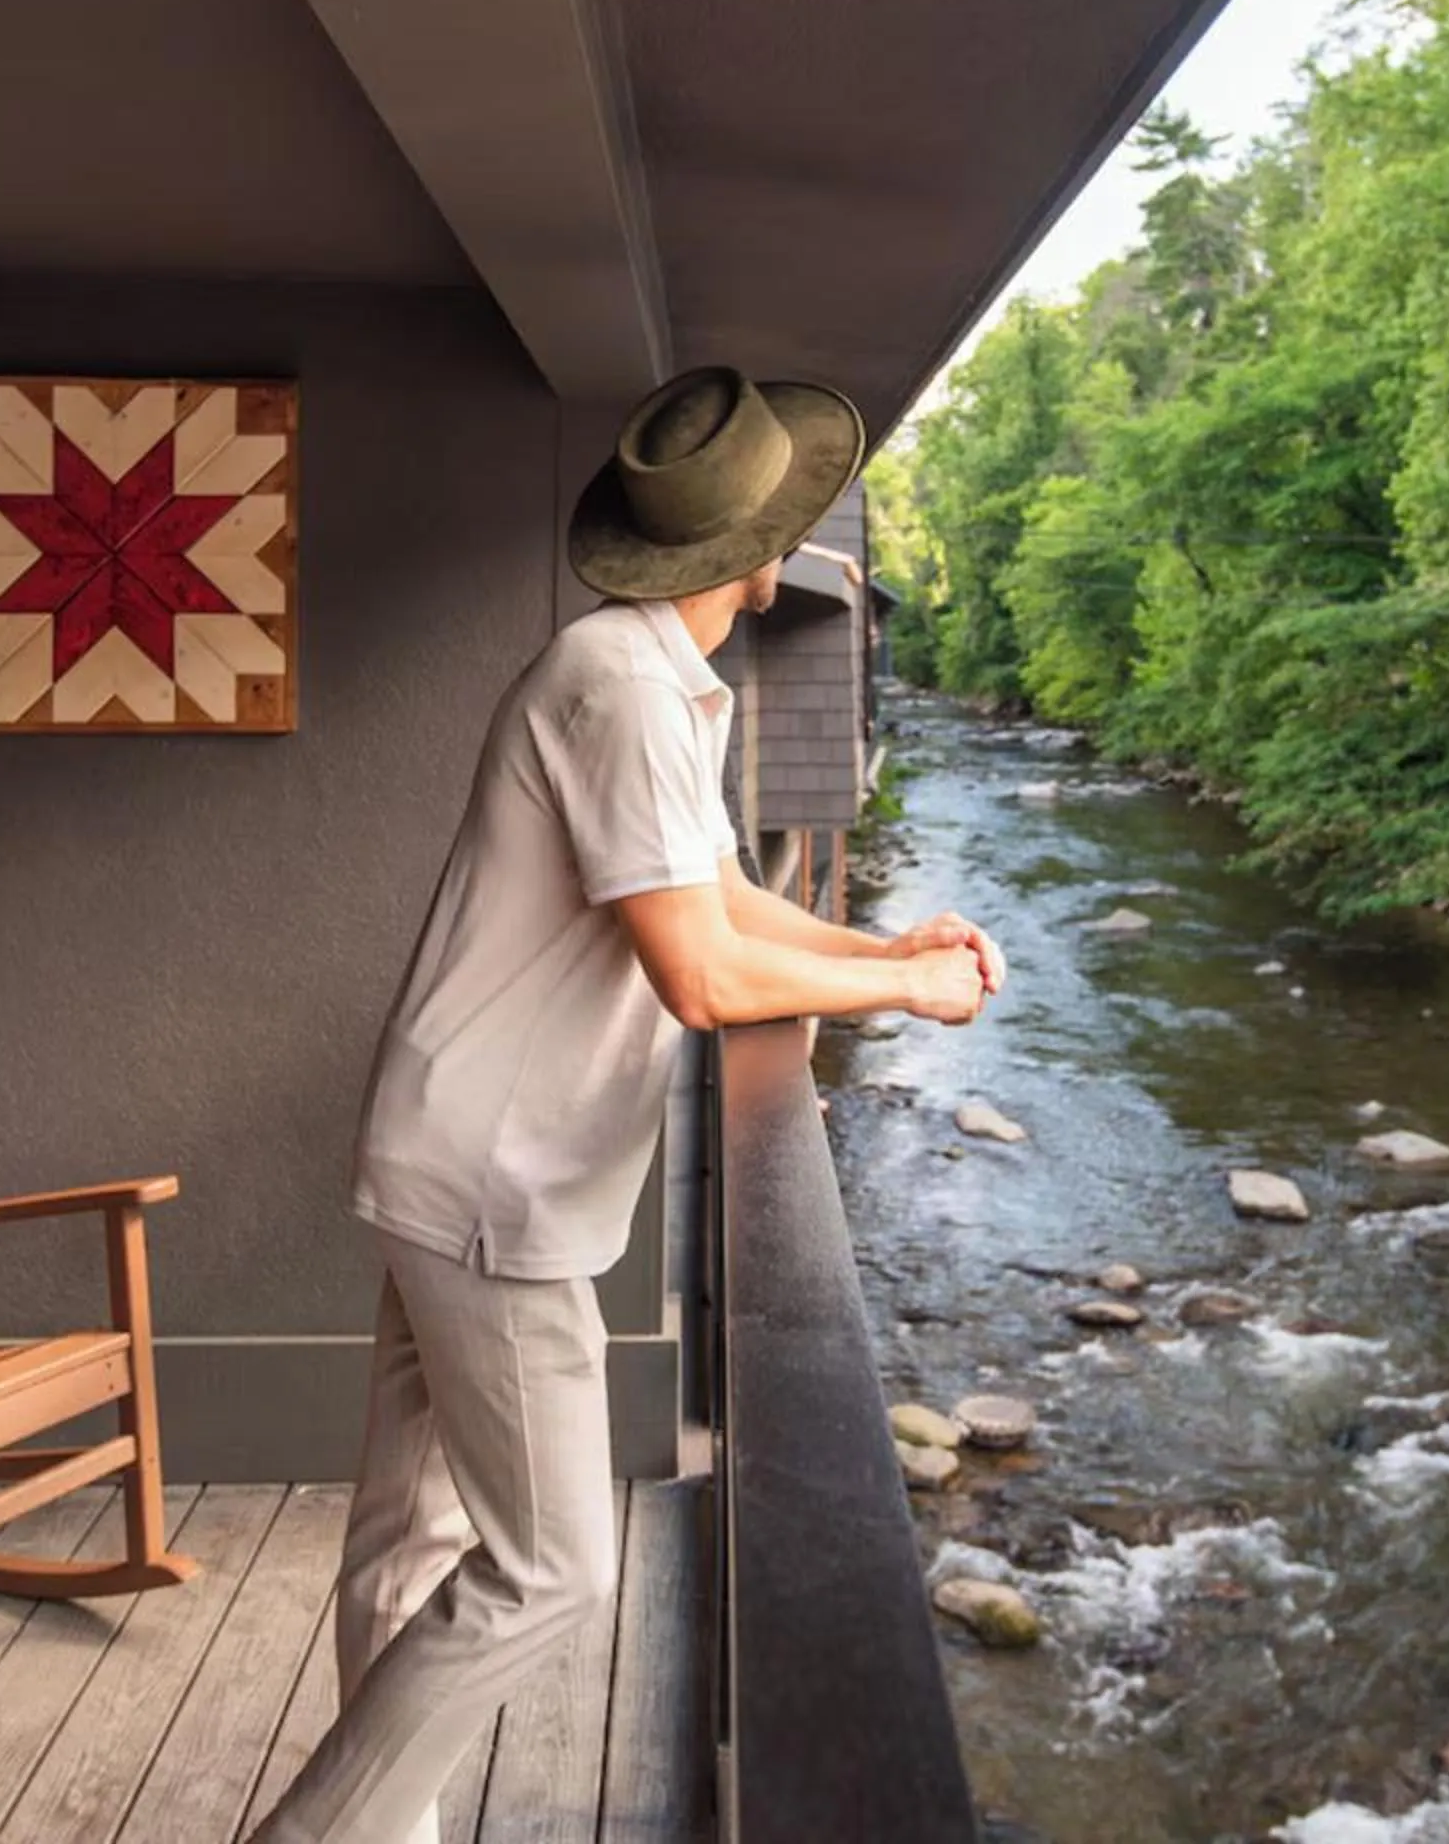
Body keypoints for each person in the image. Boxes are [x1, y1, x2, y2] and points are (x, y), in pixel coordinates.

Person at [249, 366, 1005, 1843]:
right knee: (553, 1568)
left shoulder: (649, 674)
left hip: (451, 1154)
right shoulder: (621, 684)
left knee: (410, 1545)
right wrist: (912, 998)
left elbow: (713, 890)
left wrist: (881, 946)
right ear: (754, 551)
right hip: (496, 1189)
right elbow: (703, 977)